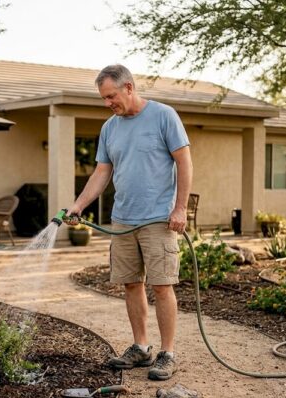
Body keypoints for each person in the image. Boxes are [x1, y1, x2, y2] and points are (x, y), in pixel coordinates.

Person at [67, 64, 193, 381]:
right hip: (123, 219)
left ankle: (167, 353)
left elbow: (184, 161)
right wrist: (79, 205)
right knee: (131, 284)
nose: (108, 102)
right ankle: (141, 347)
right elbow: (101, 173)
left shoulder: (164, 116)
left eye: (111, 96)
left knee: (162, 287)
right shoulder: (110, 128)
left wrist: (180, 209)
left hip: (158, 219)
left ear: (129, 88)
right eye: (104, 98)